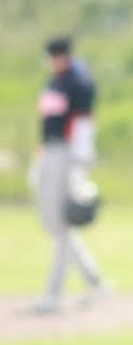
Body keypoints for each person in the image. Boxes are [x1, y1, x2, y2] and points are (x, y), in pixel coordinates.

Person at [30, 35, 108, 314]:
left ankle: (53, 294)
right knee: (54, 223)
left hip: (69, 154)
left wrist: (80, 162)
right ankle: (94, 281)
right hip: (51, 152)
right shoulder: (56, 80)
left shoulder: (79, 81)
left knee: (62, 224)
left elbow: (83, 123)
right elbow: (48, 121)